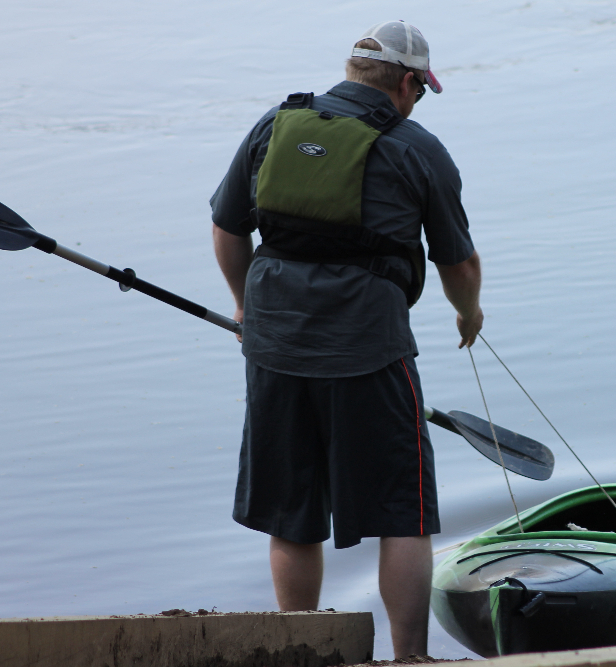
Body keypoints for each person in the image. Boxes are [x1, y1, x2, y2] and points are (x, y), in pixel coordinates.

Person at [209, 20, 483, 658]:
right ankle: (409, 657)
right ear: (409, 83)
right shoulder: (416, 147)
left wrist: (247, 309)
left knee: (289, 512)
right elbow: (459, 265)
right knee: (403, 511)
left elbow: (227, 229)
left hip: (274, 348)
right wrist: (468, 315)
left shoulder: (276, 124)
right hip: (370, 350)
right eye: (420, 89)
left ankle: (299, 651)